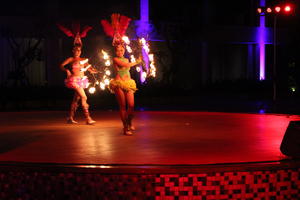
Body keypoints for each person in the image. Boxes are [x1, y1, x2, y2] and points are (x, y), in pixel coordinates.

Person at [60, 43, 98, 125]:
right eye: (76, 50)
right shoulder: (71, 59)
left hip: (82, 81)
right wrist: (67, 70)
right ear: (73, 51)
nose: (77, 52)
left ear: (81, 51)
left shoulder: (83, 59)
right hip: (74, 80)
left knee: (76, 99)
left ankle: (70, 117)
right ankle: (88, 118)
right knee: (84, 97)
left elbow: (90, 68)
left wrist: (93, 70)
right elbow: (61, 65)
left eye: (79, 50)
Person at [109, 43, 142, 135]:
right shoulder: (115, 59)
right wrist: (137, 61)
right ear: (115, 51)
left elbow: (127, 65)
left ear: (124, 50)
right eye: (118, 50)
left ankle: (129, 122)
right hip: (119, 83)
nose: (120, 52)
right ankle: (125, 127)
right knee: (123, 106)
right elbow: (125, 65)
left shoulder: (127, 59)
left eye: (121, 50)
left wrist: (139, 59)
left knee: (131, 105)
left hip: (128, 82)